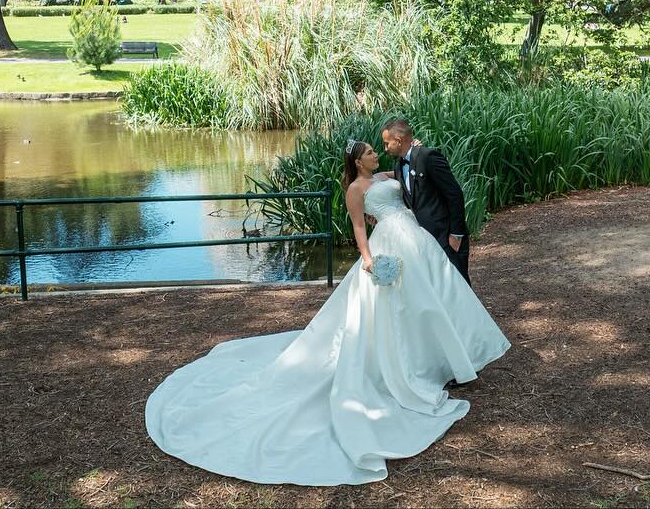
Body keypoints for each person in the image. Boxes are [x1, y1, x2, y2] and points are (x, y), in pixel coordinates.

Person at [145, 140, 510, 486]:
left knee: (430, 301)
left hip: (415, 240)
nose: (374, 154)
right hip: (389, 246)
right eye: (369, 152)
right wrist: (368, 260)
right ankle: (412, 366)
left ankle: (445, 357)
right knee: (399, 311)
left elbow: (413, 193)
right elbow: (358, 226)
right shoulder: (355, 190)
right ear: (357, 161)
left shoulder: (386, 177)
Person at [381, 118, 470, 282]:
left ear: (399, 141)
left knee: (459, 287)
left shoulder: (428, 156)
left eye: (387, 143)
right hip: (423, 241)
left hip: (446, 237)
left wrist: (456, 234)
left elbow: (454, 194)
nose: (385, 149)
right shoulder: (398, 167)